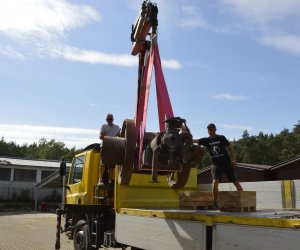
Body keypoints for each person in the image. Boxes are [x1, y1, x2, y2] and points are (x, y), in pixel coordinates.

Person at [193, 123, 243, 209]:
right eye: (208, 130)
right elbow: (194, 141)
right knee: (215, 182)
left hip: (227, 163)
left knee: (235, 182)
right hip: (216, 165)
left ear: (215, 129)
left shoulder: (221, 138)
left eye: (211, 129)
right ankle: (215, 203)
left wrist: (233, 159)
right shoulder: (206, 140)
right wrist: (183, 136)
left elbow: (230, 148)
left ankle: (242, 201)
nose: (210, 131)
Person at [98, 113, 120, 186]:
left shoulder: (117, 127)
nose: (109, 120)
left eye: (110, 119)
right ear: (106, 120)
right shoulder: (104, 126)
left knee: (111, 165)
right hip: (105, 146)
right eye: (108, 119)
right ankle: (100, 179)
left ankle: (110, 179)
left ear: (113, 119)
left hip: (113, 147)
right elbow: (101, 136)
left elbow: (120, 137)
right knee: (103, 163)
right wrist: (109, 139)